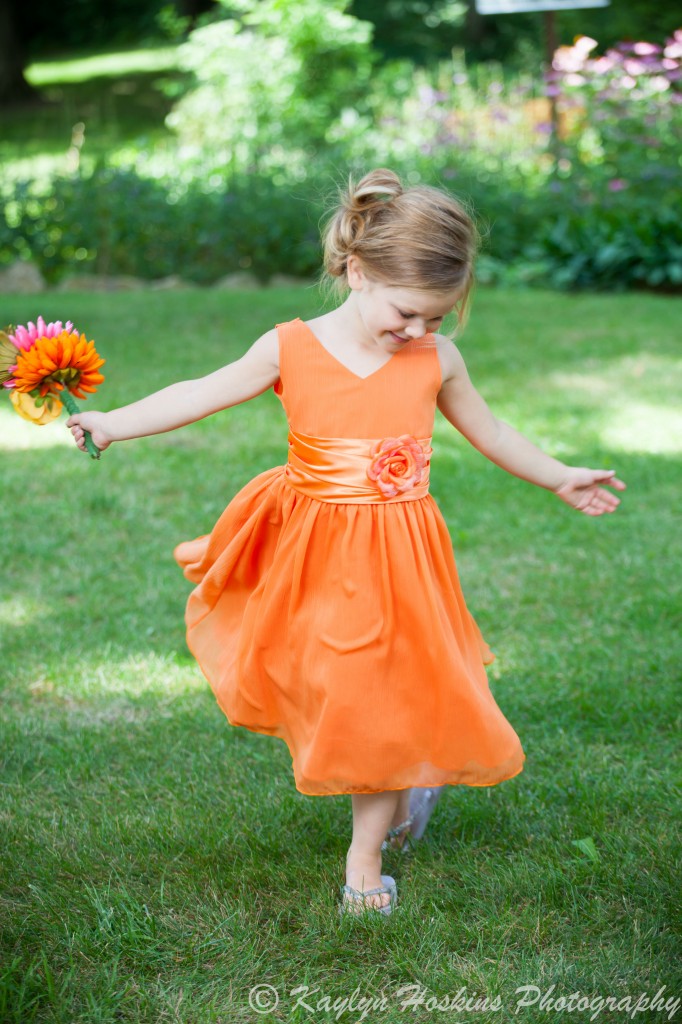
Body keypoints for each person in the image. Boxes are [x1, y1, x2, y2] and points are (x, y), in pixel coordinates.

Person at [67, 168, 626, 918]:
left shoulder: (436, 360)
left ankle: (364, 861)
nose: (419, 332)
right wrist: (113, 422)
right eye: (407, 313)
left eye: (437, 318)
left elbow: (491, 432)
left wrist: (558, 475)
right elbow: (198, 392)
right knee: (330, 684)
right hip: (313, 548)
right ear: (357, 271)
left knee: (381, 692)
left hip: (399, 554)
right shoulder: (289, 347)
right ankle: (400, 789)